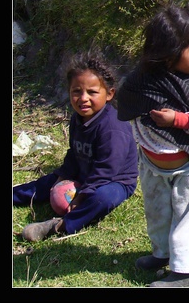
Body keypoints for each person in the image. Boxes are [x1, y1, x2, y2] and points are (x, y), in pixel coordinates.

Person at [118, 3, 189, 288]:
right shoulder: (143, 80)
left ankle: (187, 272)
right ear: (167, 57)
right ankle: (163, 254)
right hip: (152, 164)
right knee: (157, 213)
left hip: (187, 167)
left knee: (186, 218)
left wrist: (177, 119)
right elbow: (130, 105)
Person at [13, 51, 138, 242]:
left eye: (92, 92)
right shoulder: (77, 119)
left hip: (114, 181)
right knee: (45, 183)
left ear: (109, 94)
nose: (83, 98)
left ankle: (59, 226)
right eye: (76, 91)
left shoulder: (113, 127)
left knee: (102, 198)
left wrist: (81, 196)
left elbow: (107, 170)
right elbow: (74, 153)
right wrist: (62, 178)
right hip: (83, 173)